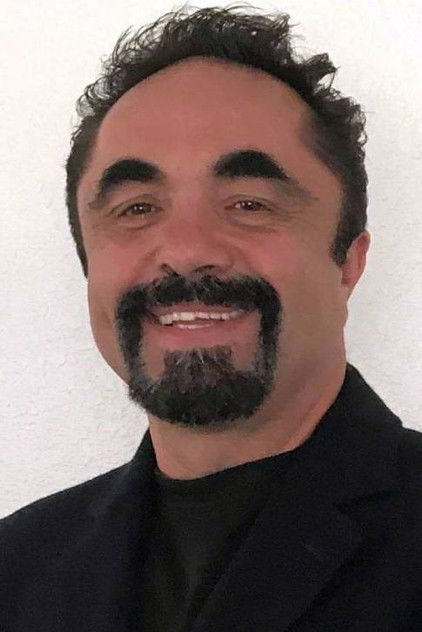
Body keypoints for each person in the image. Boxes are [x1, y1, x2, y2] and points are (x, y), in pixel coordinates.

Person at [1, 4, 421, 631]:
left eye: (248, 203)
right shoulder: (16, 568)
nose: (186, 249)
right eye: (137, 208)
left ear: (348, 264)